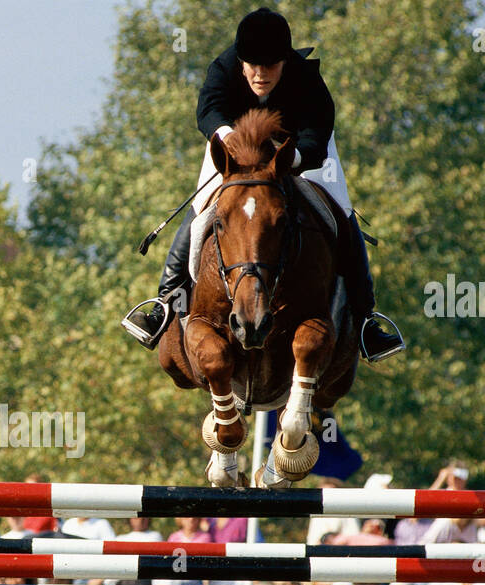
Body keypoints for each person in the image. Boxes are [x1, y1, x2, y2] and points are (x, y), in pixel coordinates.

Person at [123, 7, 404, 363]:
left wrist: (288, 161)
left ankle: (366, 320)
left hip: (300, 154)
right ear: (241, 61)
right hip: (236, 149)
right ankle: (163, 304)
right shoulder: (224, 68)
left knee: (341, 210)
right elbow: (208, 111)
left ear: (285, 62)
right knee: (200, 211)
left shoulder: (305, 78)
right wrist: (230, 142)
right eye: (252, 65)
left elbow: (317, 132)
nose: (260, 74)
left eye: (270, 66)